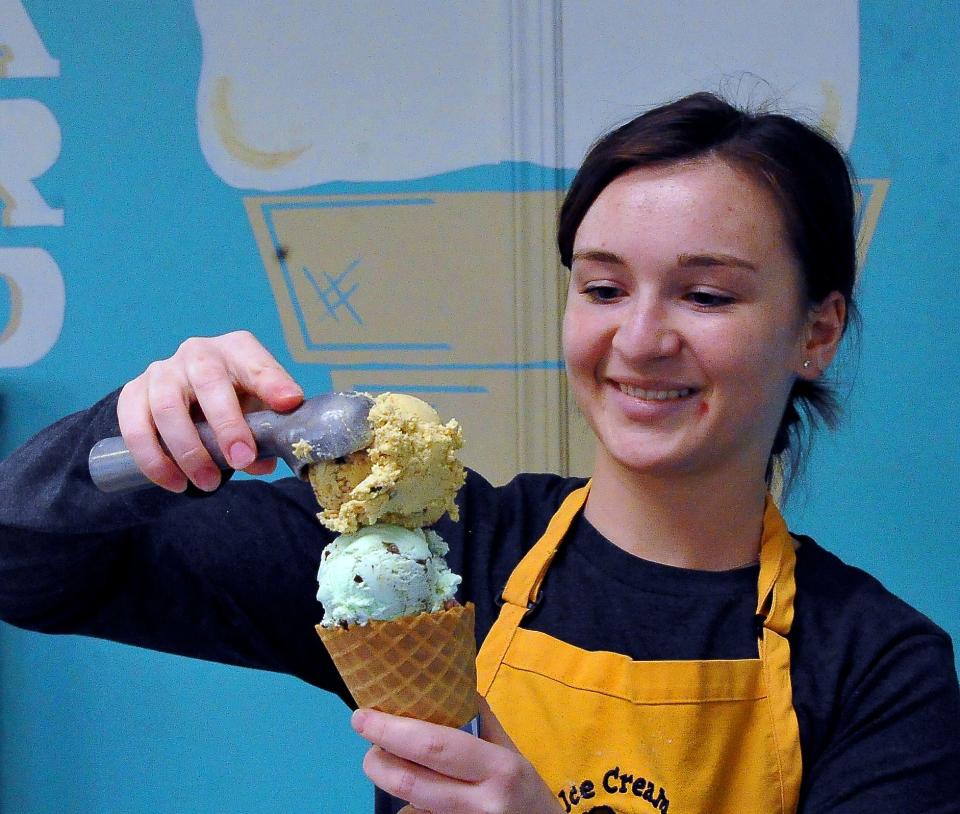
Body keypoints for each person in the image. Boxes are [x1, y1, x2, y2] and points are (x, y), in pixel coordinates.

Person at [0, 92, 958, 814]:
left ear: (816, 331)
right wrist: (131, 431)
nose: (639, 339)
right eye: (604, 288)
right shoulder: (413, 553)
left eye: (706, 296)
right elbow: (25, 566)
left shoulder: (878, 667)